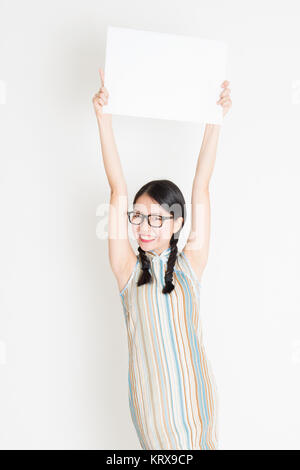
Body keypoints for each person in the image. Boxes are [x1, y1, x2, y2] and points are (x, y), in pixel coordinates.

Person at [92, 68, 232, 450]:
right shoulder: (126, 269)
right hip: (152, 412)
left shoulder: (191, 264)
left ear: (177, 222)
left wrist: (214, 120)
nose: (144, 226)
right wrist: (102, 118)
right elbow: (117, 186)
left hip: (197, 406)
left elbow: (201, 186)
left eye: (156, 218)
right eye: (138, 216)